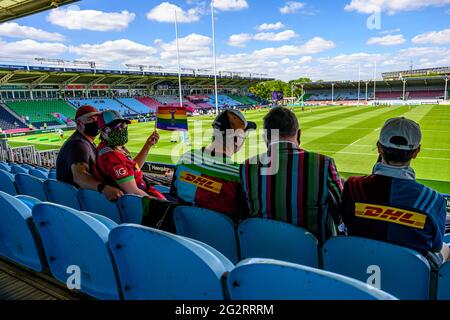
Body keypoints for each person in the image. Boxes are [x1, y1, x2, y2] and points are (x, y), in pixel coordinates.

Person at [342, 117, 449, 265]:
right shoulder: (432, 200)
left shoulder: (353, 186)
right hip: (410, 273)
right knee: (445, 248)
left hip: (360, 263)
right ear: (416, 152)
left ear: (379, 147)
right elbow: (435, 246)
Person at [240, 107, 344, 244]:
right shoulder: (323, 164)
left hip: (264, 249)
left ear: (265, 137)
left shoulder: (247, 167)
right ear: (299, 135)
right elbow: (341, 212)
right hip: (313, 256)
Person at [170, 109, 256, 222]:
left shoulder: (185, 158)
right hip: (222, 236)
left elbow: (174, 195)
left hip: (184, 231)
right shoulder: (239, 174)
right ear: (236, 139)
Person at [56, 105, 123, 201]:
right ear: (79, 124)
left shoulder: (84, 142)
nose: (96, 122)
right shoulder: (78, 144)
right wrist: (104, 188)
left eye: (98, 119)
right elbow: (79, 176)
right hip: (83, 202)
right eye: (91, 119)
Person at [94, 110, 165, 199]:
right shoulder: (113, 158)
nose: (121, 130)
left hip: (146, 192)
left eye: (123, 125)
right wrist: (164, 204)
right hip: (143, 202)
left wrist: (148, 145)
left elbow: (133, 167)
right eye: (116, 127)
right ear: (103, 132)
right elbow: (134, 192)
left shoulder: (113, 146)